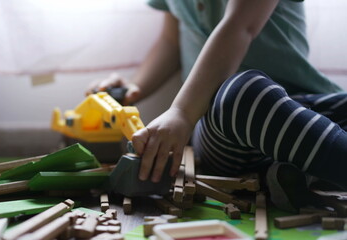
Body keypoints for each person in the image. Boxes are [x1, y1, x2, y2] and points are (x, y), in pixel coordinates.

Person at [87, 0, 347, 212]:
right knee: (241, 96)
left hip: (307, 110)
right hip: (225, 124)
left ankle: (294, 174)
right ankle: (308, 168)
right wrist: (135, 87)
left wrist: (181, 112)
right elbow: (171, 40)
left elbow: (240, 26)